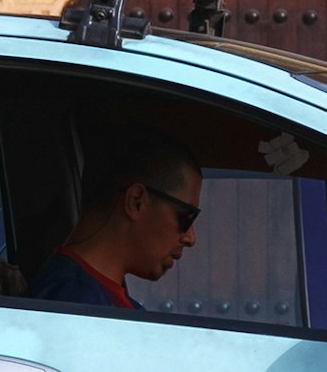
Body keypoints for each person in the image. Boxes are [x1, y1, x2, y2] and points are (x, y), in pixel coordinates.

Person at [28, 125, 202, 309]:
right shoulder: (76, 306)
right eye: (187, 217)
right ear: (136, 202)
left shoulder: (85, 297)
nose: (191, 238)